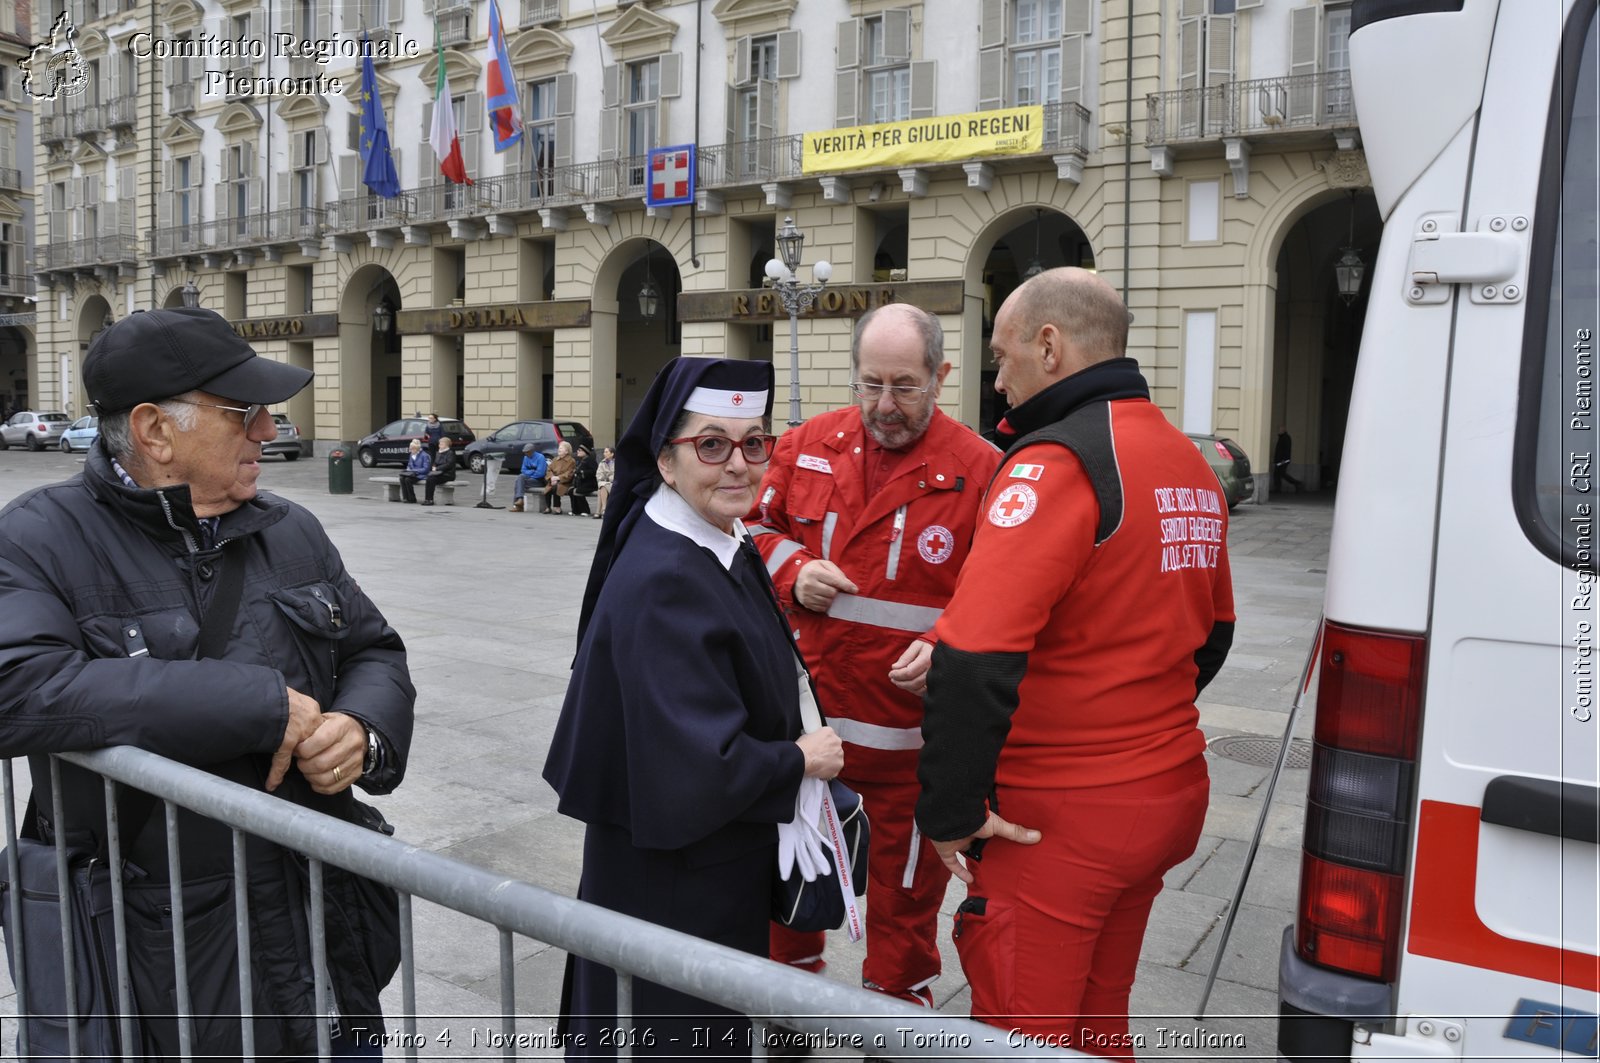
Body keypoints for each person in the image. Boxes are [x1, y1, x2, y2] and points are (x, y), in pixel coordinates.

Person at [0, 306, 416, 1058]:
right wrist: (257, 704)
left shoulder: (290, 529)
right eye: (244, 412)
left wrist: (363, 729)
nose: (267, 428)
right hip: (154, 961)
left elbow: (374, 649)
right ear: (157, 430)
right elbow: (21, 689)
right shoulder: (39, 538)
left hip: (321, 933)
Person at [914, 269, 1235, 1059]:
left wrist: (950, 813)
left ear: (1049, 346)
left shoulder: (1053, 462)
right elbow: (1214, 635)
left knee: (1025, 1029)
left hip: (1059, 819)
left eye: (1001, 355)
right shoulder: (1187, 461)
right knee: (1097, 1021)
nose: (997, 378)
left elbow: (975, 652)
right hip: (1165, 790)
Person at [544, 357, 843, 1060]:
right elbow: (695, 764)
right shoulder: (667, 576)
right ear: (667, 461)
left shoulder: (712, 536)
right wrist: (800, 756)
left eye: (754, 442)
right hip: (675, 885)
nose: (738, 463)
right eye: (712, 444)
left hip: (695, 870)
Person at [749, 303, 1000, 1005]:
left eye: (904, 386)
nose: (884, 406)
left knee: (904, 916)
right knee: (789, 900)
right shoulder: (805, 446)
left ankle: (895, 1024)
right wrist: (792, 566)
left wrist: (948, 638)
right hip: (806, 745)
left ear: (942, 376)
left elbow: (1010, 593)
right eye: (870, 384)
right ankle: (786, 1011)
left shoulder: (981, 471)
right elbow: (747, 527)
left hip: (908, 756)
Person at [509, 442, 549, 513]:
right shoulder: (525, 457)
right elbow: (523, 470)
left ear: (532, 451)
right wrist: (532, 471)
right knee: (520, 479)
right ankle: (520, 500)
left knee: (519, 481)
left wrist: (529, 474)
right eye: (524, 452)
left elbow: (540, 473)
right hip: (529, 479)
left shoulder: (540, 457)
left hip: (539, 481)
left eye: (527, 452)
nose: (526, 454)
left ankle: (518, 505)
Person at [422, 433, 457, 506]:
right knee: (429, 478)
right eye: (439, 444)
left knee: (432, 479)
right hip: (438, 473)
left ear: (446, 445)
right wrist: (433, 466)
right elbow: (435, 462)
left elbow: (449, 464)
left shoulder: (450, 453)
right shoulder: (438, 452)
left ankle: (430, 500)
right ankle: (427, 499)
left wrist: (437, 468)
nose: (439, 445)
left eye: (441, 444)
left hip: (447, 474)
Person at [544, 439, 576, 514]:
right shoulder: (555, 459)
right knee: (548, 488)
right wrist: (552, 477)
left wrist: (558, 478)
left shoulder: (571, 461)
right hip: (553, 480)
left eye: (561, 448)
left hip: (564, 482)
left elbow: (569, 473)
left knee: (556, 487)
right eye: (559, 447)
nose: (559, 449)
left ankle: (557, 507)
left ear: (567, 451)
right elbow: (549, 469)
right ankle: (548, 507)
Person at [570, 443, 598, 517]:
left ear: (585, 452)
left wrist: (582, 472)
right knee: (571, 490)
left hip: (590, 483)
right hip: (582, 483)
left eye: (579, 450)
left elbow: (594, 472)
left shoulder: (590, 460)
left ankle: (585, 510)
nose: (577, 451)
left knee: (577, 491)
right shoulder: (582, 460)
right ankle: (576, 510)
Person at [398, 439, 431, 503]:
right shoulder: (412, 454)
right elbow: (410, 465)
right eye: (410, 449)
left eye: (412, 449)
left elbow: (426, 469)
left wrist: (414, 471)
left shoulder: (424, 455)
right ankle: (405, 497)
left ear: (417, 449)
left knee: (408, 480)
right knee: (402, 478)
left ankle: (412, 498)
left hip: (421, 474)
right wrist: (408, 469)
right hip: (412, 473)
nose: (410, 450)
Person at [1274, 426, 1304, 493]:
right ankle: (1278, 489)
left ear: (1284, 430)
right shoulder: (1282, 437)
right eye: (1278, 430)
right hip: (1280, 460)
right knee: (1278, 474)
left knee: (1280, 473)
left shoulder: (1285, 438)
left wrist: (1283, 459)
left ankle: (1297, 483)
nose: (1278, 431)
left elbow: (1286, 450)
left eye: (1280, 430)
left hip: (1283, 460)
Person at [595, 445, 615, 519]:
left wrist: (607, 478)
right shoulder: (602, 463)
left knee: (601, 488)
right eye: (604, 452)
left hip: (613, 484)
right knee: (602, 486)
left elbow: (617, 475)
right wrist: (607, 478)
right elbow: (598, 475)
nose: (604, 453)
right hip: (604, 483)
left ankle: (599, 512)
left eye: (606, 452)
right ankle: (604, 509)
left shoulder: (617, 462)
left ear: (612, 454)